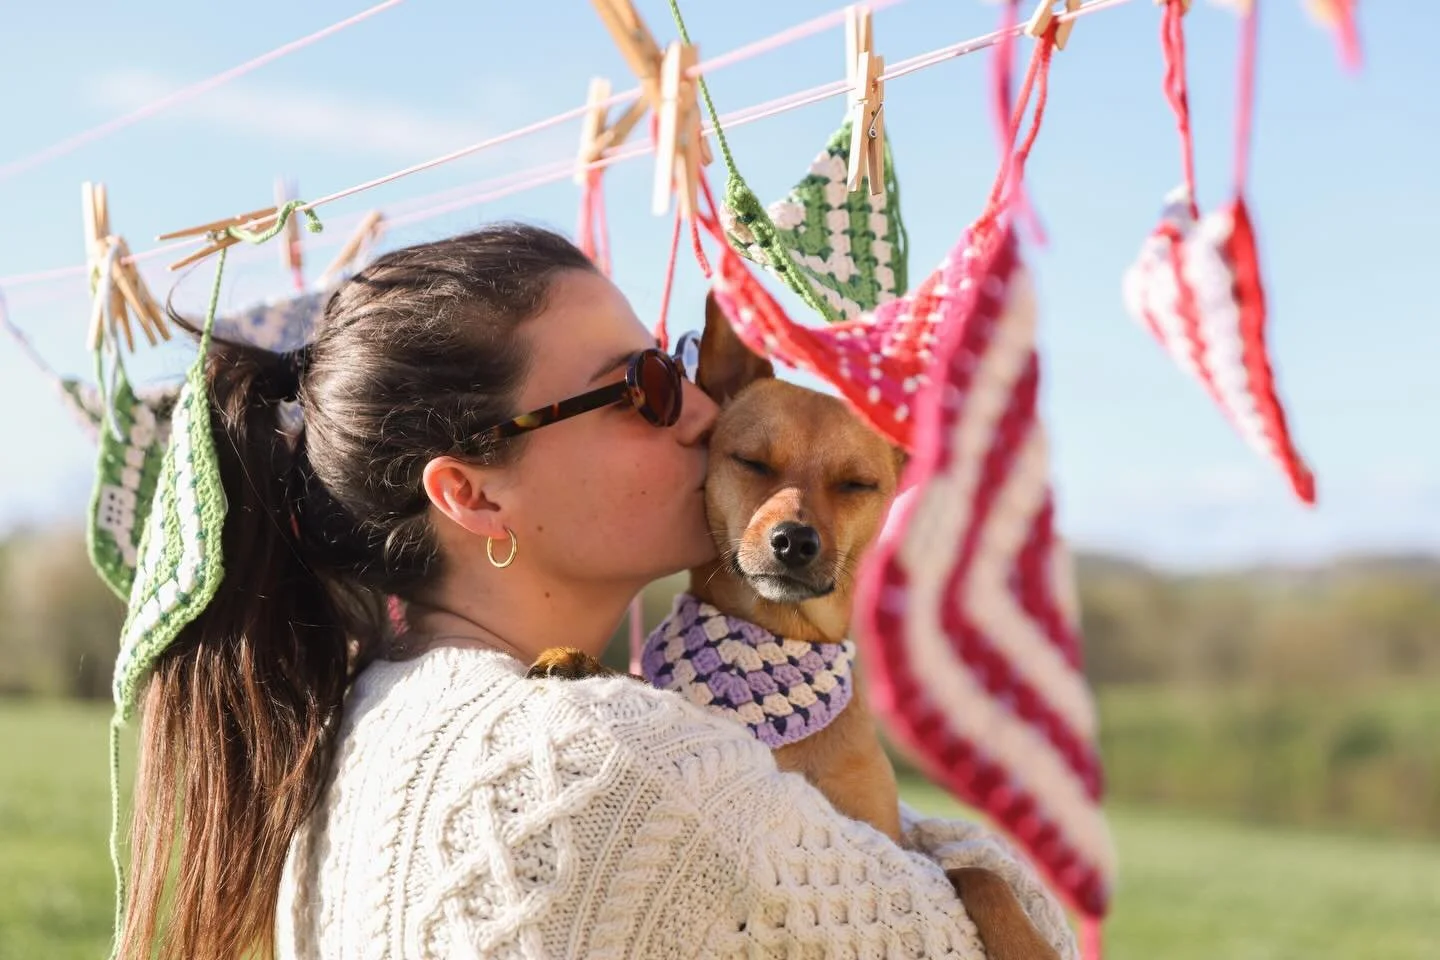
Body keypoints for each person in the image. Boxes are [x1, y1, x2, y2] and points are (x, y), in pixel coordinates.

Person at [115, 224, 1077, 959]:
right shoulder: (611, 762)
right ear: (473, 494)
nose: (701, 410)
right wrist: (979, 873)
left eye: (678, 365)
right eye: (640, 388)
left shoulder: (360, 708)